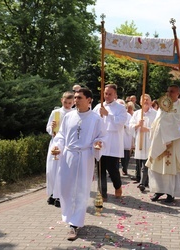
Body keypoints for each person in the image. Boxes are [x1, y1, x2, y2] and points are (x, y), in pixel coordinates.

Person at [51, 88, 106, 240]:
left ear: (89, 100)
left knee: (80, 190)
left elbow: (101, 137)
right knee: (65, 188)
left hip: (85, 157)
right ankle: (69, 216)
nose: (76, 100)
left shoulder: (96, 119)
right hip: (68, 156)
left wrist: (98, 144)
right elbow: (61, 135)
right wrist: (58, 146)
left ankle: (74, 224)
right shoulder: (69, 117)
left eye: (79, 98)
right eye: (75, 97)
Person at [146, 84, 180, 202]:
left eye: (172, 91)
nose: (169, 94)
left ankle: (171, 193)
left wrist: (166, 131)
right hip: (159, 140)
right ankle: (159, 191)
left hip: (173, 142)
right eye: (168, 91)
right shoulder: (163, 105)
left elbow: (179, 123)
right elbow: (158, 121)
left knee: (170, 168)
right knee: (157, 166)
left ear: (178, 93)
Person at [93, 84, 128, 201]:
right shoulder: (98, 106)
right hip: (100, 142)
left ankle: (117, 186)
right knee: (100, 169)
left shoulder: (120, 108)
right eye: (106, 93)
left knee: (112, 169)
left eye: (110, 94)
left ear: (115, 95)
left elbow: (120, 123)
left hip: (113, 142)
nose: (107, 96)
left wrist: (108, 114)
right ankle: (102, 192)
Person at [46, 91, 74, 207]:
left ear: (73, 103)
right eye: (65, 102)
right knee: (51, 169)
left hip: (67, 144)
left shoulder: (74, 113)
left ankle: (60, 195)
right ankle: (52, 193)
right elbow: (48, 127)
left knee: (61, 170)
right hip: (55, 142)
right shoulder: (56, 112)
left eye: (69, 103)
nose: (67, 105)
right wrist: (51, 128)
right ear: (61, 100)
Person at [129, 94, 157, 191]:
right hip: (140, 141)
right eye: (143, 100)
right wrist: (137, 125)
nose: (146, 101)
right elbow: (130, 127)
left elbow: (158, 128)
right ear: (140, 102)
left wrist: (148, 129)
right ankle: (144, 181)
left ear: (151, 102)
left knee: (147, 163)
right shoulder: (137, 114)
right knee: (142, 163)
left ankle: (142, 182)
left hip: (150, 141)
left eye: (147, 100)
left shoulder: (155, 114)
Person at [117, 99, 133, 176]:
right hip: (116, 138)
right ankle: (115, 170)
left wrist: (125, 126)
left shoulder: (128, 116)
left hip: (125, 137)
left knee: (125, 155)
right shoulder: (114, 115)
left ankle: (125, 168)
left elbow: (131, 126)